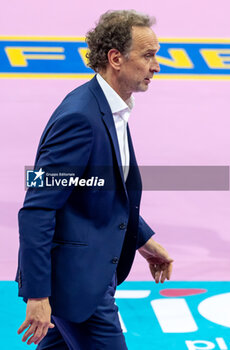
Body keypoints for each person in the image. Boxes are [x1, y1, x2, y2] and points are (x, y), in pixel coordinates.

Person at [16, 10, 173, 350]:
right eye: (148, 56)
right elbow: (37, 209)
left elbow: (98, 189)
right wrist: (38, 294)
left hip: (86, 276)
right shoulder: (80, 118)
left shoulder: (112, 107)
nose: (156, 66)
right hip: (77, 287)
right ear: (116, 58)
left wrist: (143, 240)